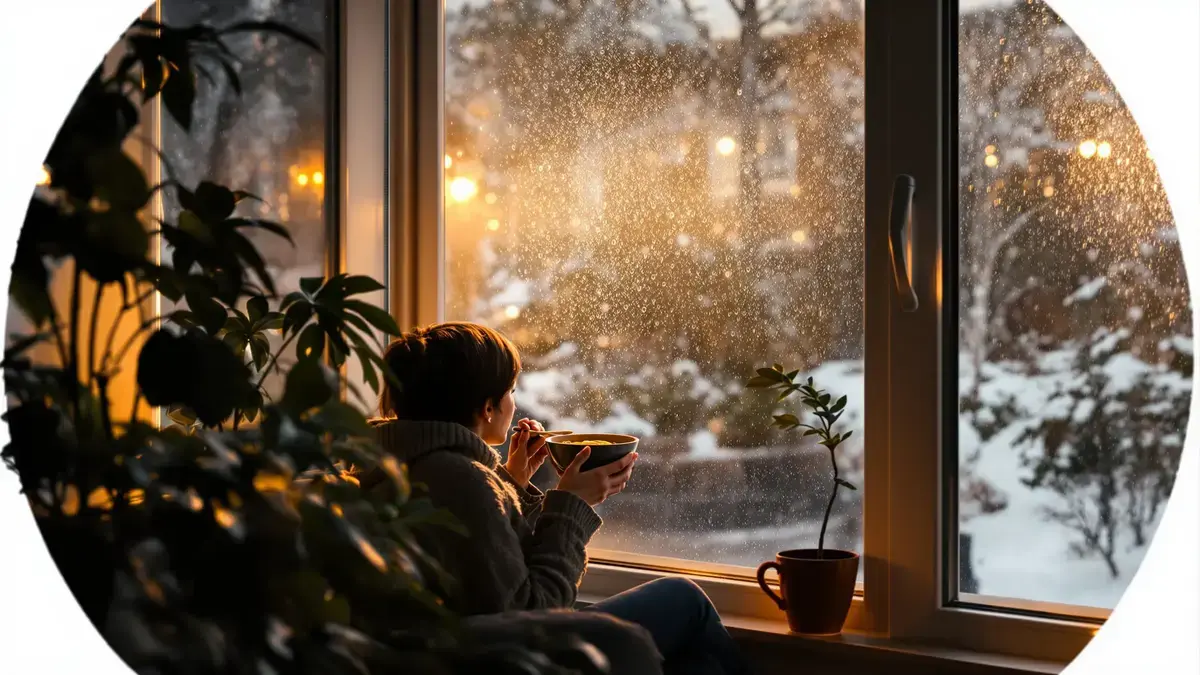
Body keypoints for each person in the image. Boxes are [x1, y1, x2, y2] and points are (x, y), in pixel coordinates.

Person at [364, 321, 752, 675]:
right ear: (486, 407)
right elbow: (536, 615)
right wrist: (571, 508)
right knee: (685, 599)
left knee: (697, 666)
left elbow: (479, 577)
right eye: (510, 391)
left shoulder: (397, 465)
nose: (513, 403)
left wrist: (509, 485)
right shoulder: (459, 479)